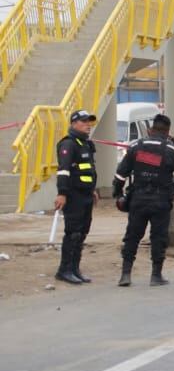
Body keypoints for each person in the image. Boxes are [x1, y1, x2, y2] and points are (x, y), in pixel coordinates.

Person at [112, 114, 174, 287]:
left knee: (132, 236)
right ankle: (156, 275)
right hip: (161, 201)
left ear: (150, 130)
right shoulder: (172, 149)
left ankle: (125, 274)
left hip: (138, 199)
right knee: (159, 237)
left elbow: (120, 174)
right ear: (168, 132)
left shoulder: (136, 147)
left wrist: (118, 195)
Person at [53, 109, 100, 285]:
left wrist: (93, 189)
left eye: (89, 121)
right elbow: (63, 171)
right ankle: (64, 270)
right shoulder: (68, 144)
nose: (88, 125)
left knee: (82, 232)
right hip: (73, 195)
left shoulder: (85, 144)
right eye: (84, 121)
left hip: (86, 195)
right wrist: (62, 193)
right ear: (74, 124)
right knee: (72, 233)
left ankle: (74, 268)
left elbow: (88, 170)